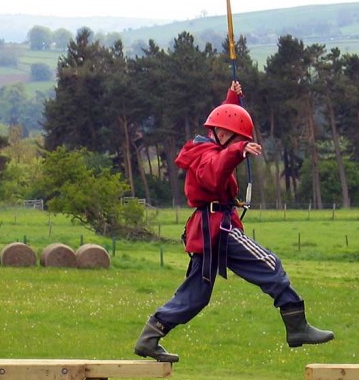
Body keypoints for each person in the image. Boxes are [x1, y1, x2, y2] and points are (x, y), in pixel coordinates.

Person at [134, 81, 333, 363]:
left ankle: (150, 337)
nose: (240, 142)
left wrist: (233, 99)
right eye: (237, 138)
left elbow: (225, 122)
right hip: (218, 228)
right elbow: (216, 170)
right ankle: (296, 326)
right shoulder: (206, 155)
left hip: (209, 231)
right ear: (224, 135)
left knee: (196, 294)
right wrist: (238, 152)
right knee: (269, 264)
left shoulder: (209, 144)